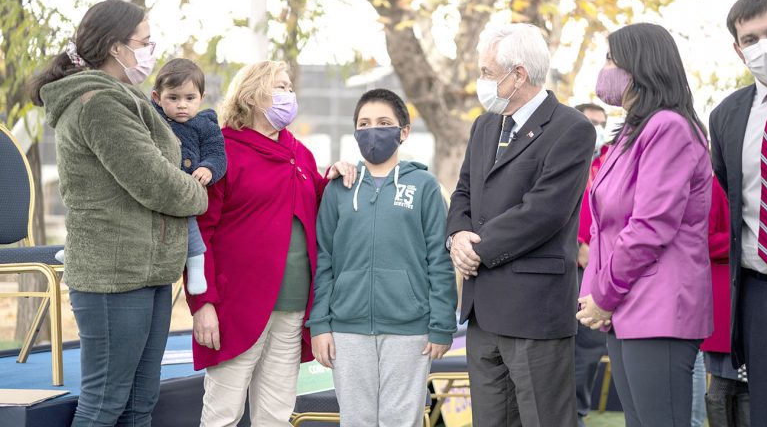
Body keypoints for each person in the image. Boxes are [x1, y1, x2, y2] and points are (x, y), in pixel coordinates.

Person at [29, 0, 209, 425]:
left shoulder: (121, 97)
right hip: (113, 274)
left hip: (146, 271)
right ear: (115, 47)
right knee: (104, 405)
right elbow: (155, 181)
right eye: (144, 42)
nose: (150, 50)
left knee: (139, 404)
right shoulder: (99, 103)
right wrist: (198, 194)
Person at [185, 61, 356, 426]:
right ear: (251, 95)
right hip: (235, 307)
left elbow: (315, 205)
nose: (289, 95)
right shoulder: (223, 152)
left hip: (292, 306)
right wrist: (202, 303)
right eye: (279, 87)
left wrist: (333, 176)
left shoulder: (300, 153)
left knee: (276, 415)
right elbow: (200, 232)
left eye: (290, 87)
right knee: (222, 414)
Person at [447, 23, 595, 426]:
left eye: (487, 72)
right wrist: (457, 236)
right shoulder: (485, 125)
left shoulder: (571, 128)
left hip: (534, 311)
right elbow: (463, 191)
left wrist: (476, 249)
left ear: (518, 75)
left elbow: (543, 211)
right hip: (482, 310)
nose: (481, 81)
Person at [577, 23, 713, 427]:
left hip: (659, 306)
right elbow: (602, 227)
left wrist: (603, 296)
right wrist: (595, 298)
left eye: (610, 59)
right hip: (625, 305)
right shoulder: (631, 133)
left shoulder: (669, 127)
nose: (604, 69)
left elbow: (650, 227)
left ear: (638, 66)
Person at [307, 89, 458, 427]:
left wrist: (441, 324)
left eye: (383, 122)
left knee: (401, 420)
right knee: (355, 420)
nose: (372, 130)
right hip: (346, 327)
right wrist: (320, 324)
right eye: (364, 124)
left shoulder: (425, 186)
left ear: (404, 131)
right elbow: (323, 259)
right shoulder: (338, 188)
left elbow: (439, 259)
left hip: (410, 330)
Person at [709, 0, 767, 425]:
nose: (761, 46)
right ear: (738, 50)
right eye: (751, 39)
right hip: (756, 290)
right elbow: (727, 199)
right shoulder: (726, 116)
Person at [150, 58, 226, 295]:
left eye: (190, 98)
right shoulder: (152, 118)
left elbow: (217, 153)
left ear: (201, 98)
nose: (182, 105)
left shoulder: (206, 125)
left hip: (185, 191)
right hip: (156, 187)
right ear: (157, 97)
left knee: (191, 228)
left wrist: (208, 168)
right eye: (173, 98)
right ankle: (81, 251)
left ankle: (196, 269)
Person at [701, 178, 750, 426]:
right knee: (722, 382)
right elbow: (704, 240)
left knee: (745, 384)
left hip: (749, 298)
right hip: (724, 302)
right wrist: (742, 239)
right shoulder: (715, 186)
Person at [573, 103, 609, 427]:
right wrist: (576, 246)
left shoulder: (611, 161)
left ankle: (578, 413)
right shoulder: (559, 157)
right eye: (589, 122)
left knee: (590, 345)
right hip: (564, 264)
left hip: (598, 268)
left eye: (601, 123)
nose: (596, 129)